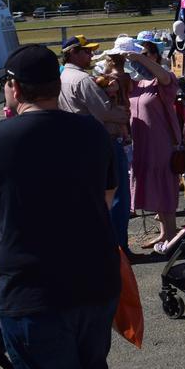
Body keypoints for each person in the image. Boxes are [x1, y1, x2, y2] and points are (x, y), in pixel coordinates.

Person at [0, 45, 128, 369]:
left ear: (13, 87)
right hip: (96, 283)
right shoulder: (92, 133)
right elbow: (108, 198)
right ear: (57, 85)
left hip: (33, 293)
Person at [58, 35, 135, 256]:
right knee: (118, 195)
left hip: (80, 142)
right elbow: (105, 112)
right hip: (102, 142)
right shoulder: (82, 79)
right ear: (72, 52)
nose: (91, 55)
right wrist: (123, 114)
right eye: (86, 51)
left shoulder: (63, 77)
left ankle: (101, 245)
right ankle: (119, 247)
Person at [128, 37, 185, 254]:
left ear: (155, 56)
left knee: (164, 185)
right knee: (153, 185)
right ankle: (164, 232)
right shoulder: (136, 82)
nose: (141, 59)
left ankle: (172, 234)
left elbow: (165, 77)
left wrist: (139, 59)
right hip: (142, 143)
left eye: (146, 53)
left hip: (161, 142)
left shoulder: (161, 79)